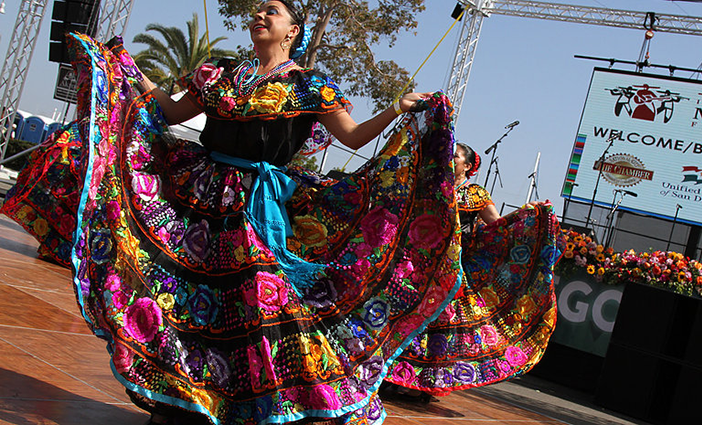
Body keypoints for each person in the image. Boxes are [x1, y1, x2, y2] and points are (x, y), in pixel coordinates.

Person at [1, 1, 465, 424]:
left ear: (292, 31)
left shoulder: (310, 86)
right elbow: (169, 110)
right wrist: (128, 73)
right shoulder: (221, 75)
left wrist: (396, 109)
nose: (260, 16)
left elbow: (355, 137)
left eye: (273, 11)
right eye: (258, 11)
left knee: (255, 306)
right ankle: (178, 396)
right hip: (198, 197)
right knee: (183, 300)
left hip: (255, 208)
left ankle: (267, 401)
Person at [382, 142, 564, 402]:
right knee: (406, 315)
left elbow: (498, 225)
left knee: (439, 325)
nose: (449, 158)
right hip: (420, 264)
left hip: (453, 269)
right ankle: (393, 373)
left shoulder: (476, 194)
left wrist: (528, 213)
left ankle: (420, 381)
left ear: (467, 166)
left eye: (454, 156)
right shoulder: (434, 184)